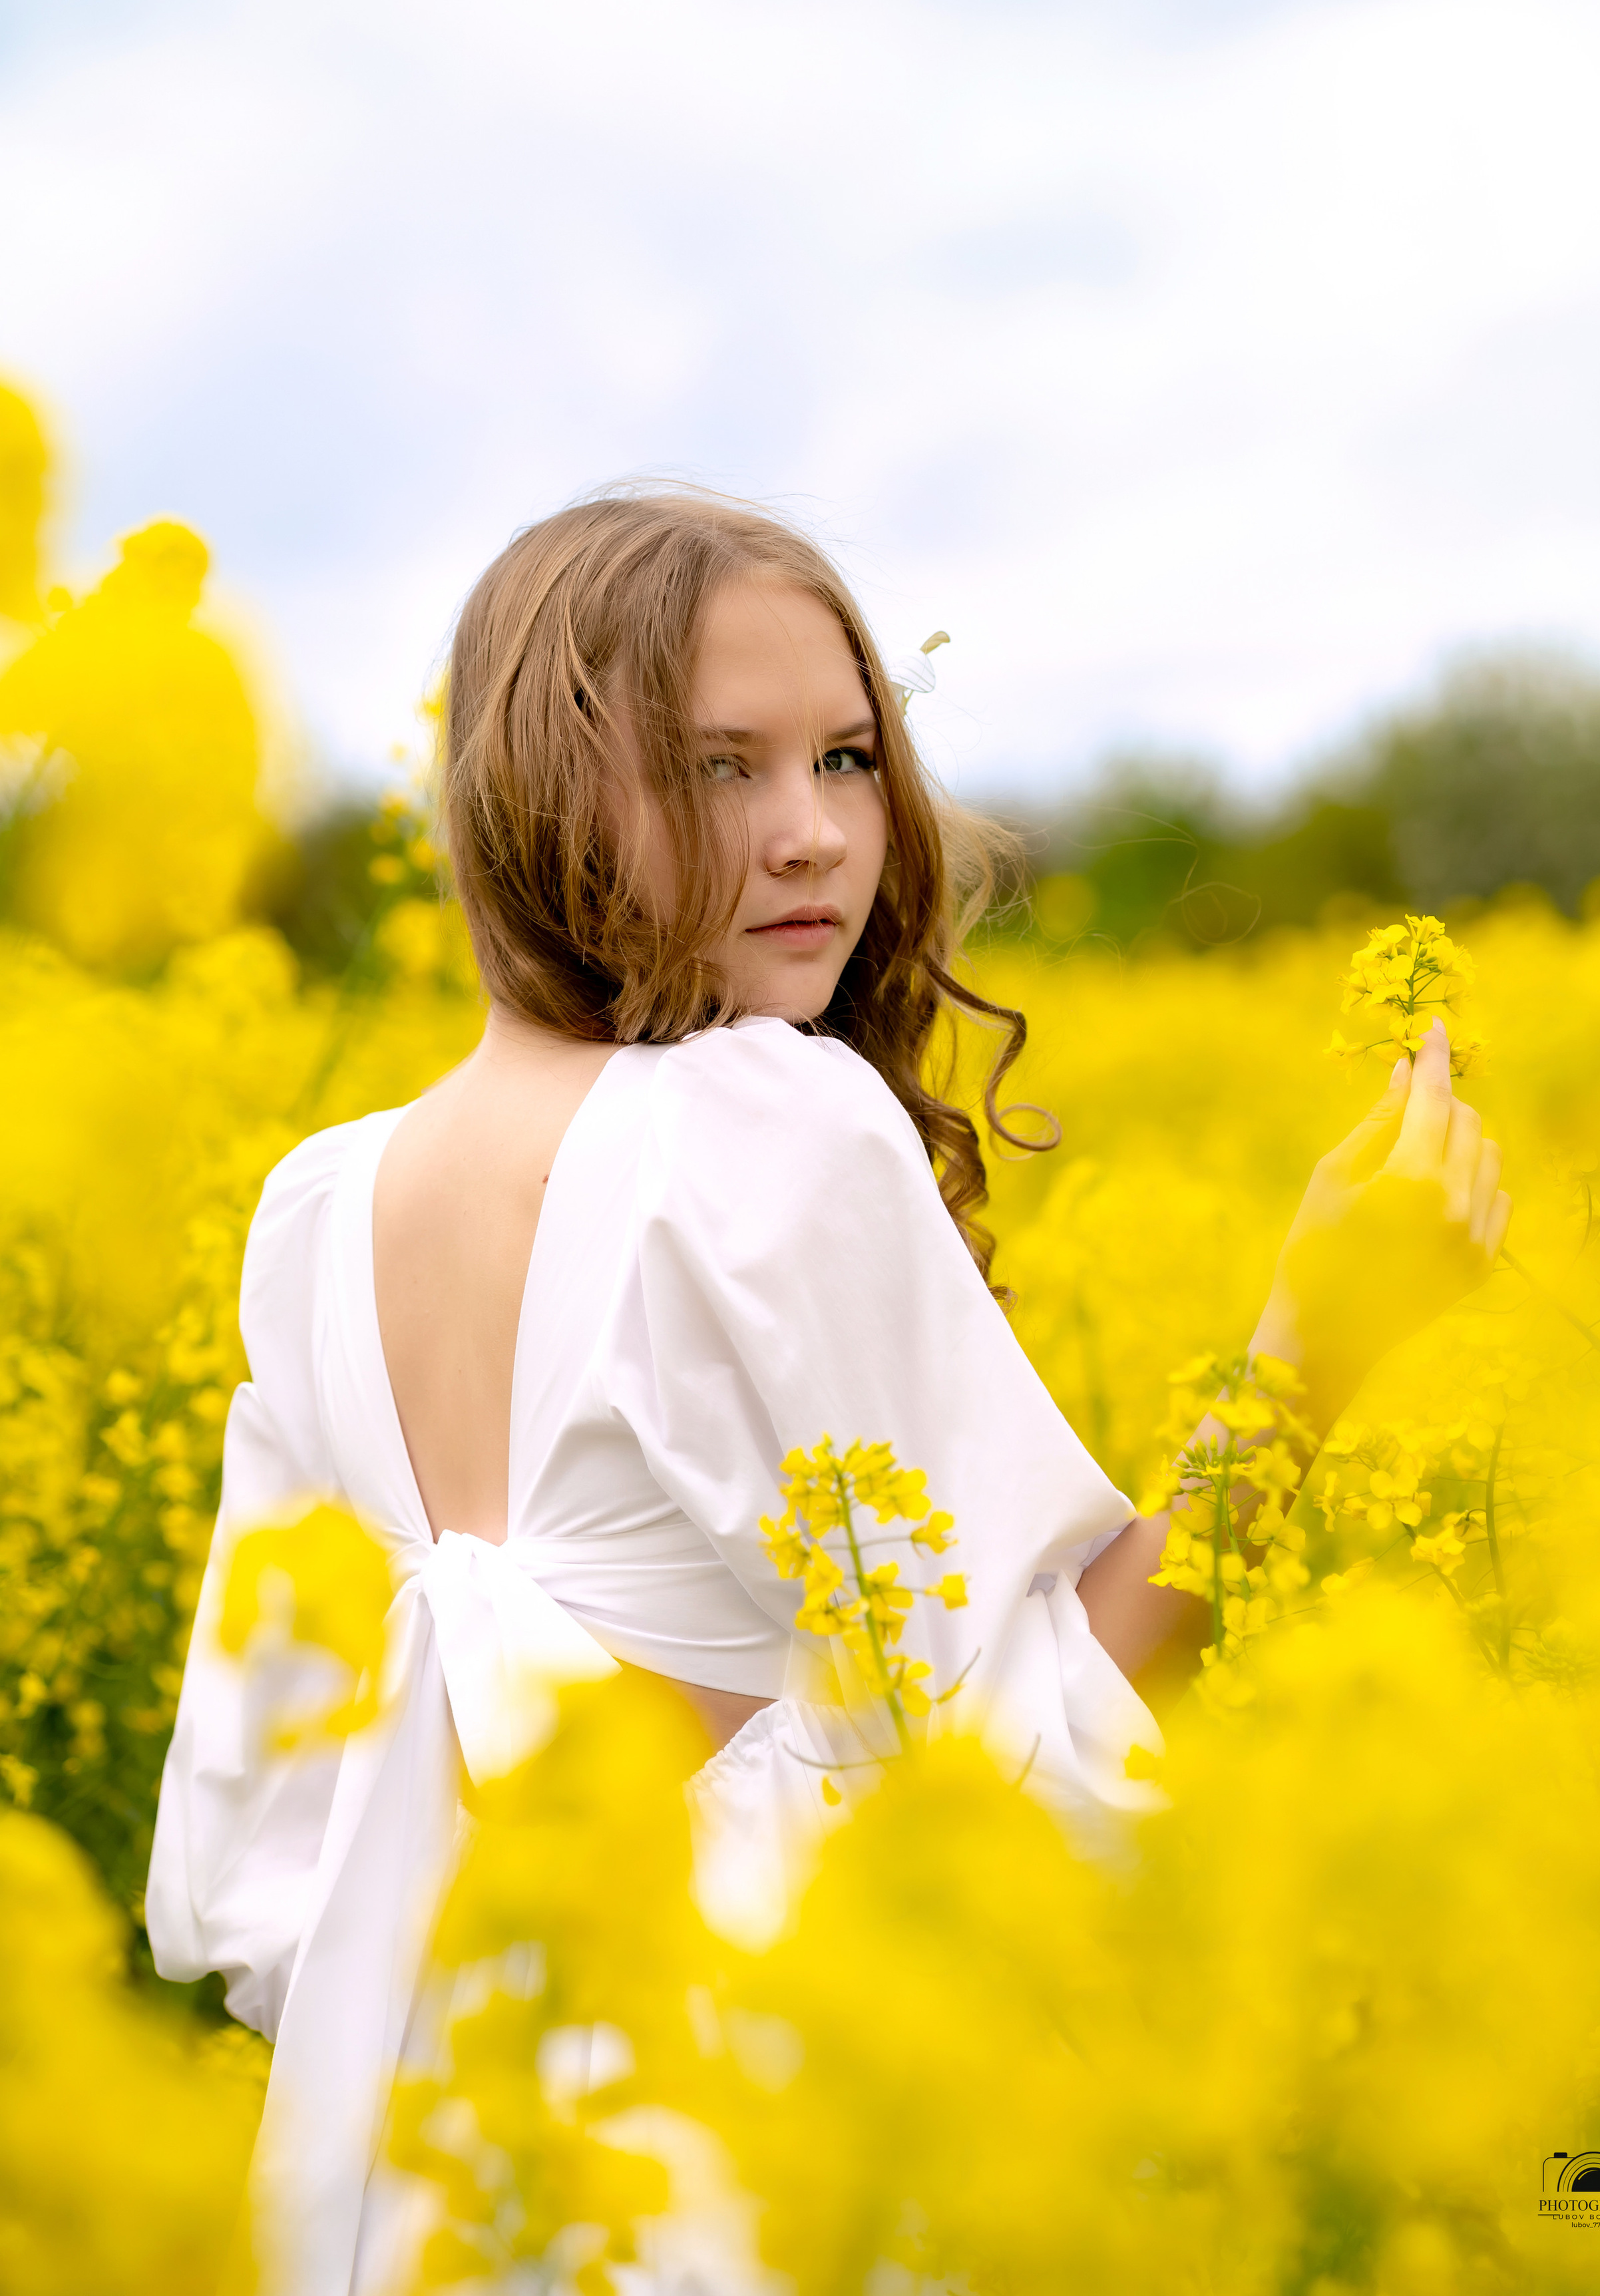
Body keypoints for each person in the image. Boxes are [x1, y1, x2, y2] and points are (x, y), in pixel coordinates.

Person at [146, 492, 1510, 2295]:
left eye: (849, 757)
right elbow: (1031, 1748)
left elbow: (260, 1877)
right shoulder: (766, 1128)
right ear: (543, 788)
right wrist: (1309, 1359)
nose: (814, 837)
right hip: (753, 2162)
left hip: (410, 2183)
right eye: (720, 770)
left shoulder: (318, 1213)